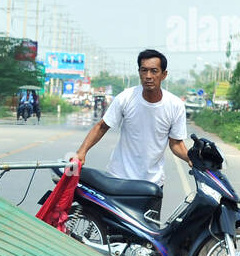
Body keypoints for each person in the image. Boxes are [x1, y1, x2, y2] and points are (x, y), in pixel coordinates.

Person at [73, 49, 189, 223]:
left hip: (151, 184)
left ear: (164, 75)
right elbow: (102, 126)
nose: (148, 76)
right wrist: (82, 152)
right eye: (144, 70)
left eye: (154, 71)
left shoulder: (175, 106)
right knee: (112, 231)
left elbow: (176, 143)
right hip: (119, 180)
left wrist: (190, 158)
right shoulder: (126, 98)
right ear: (139, 72)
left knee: (147, 238)